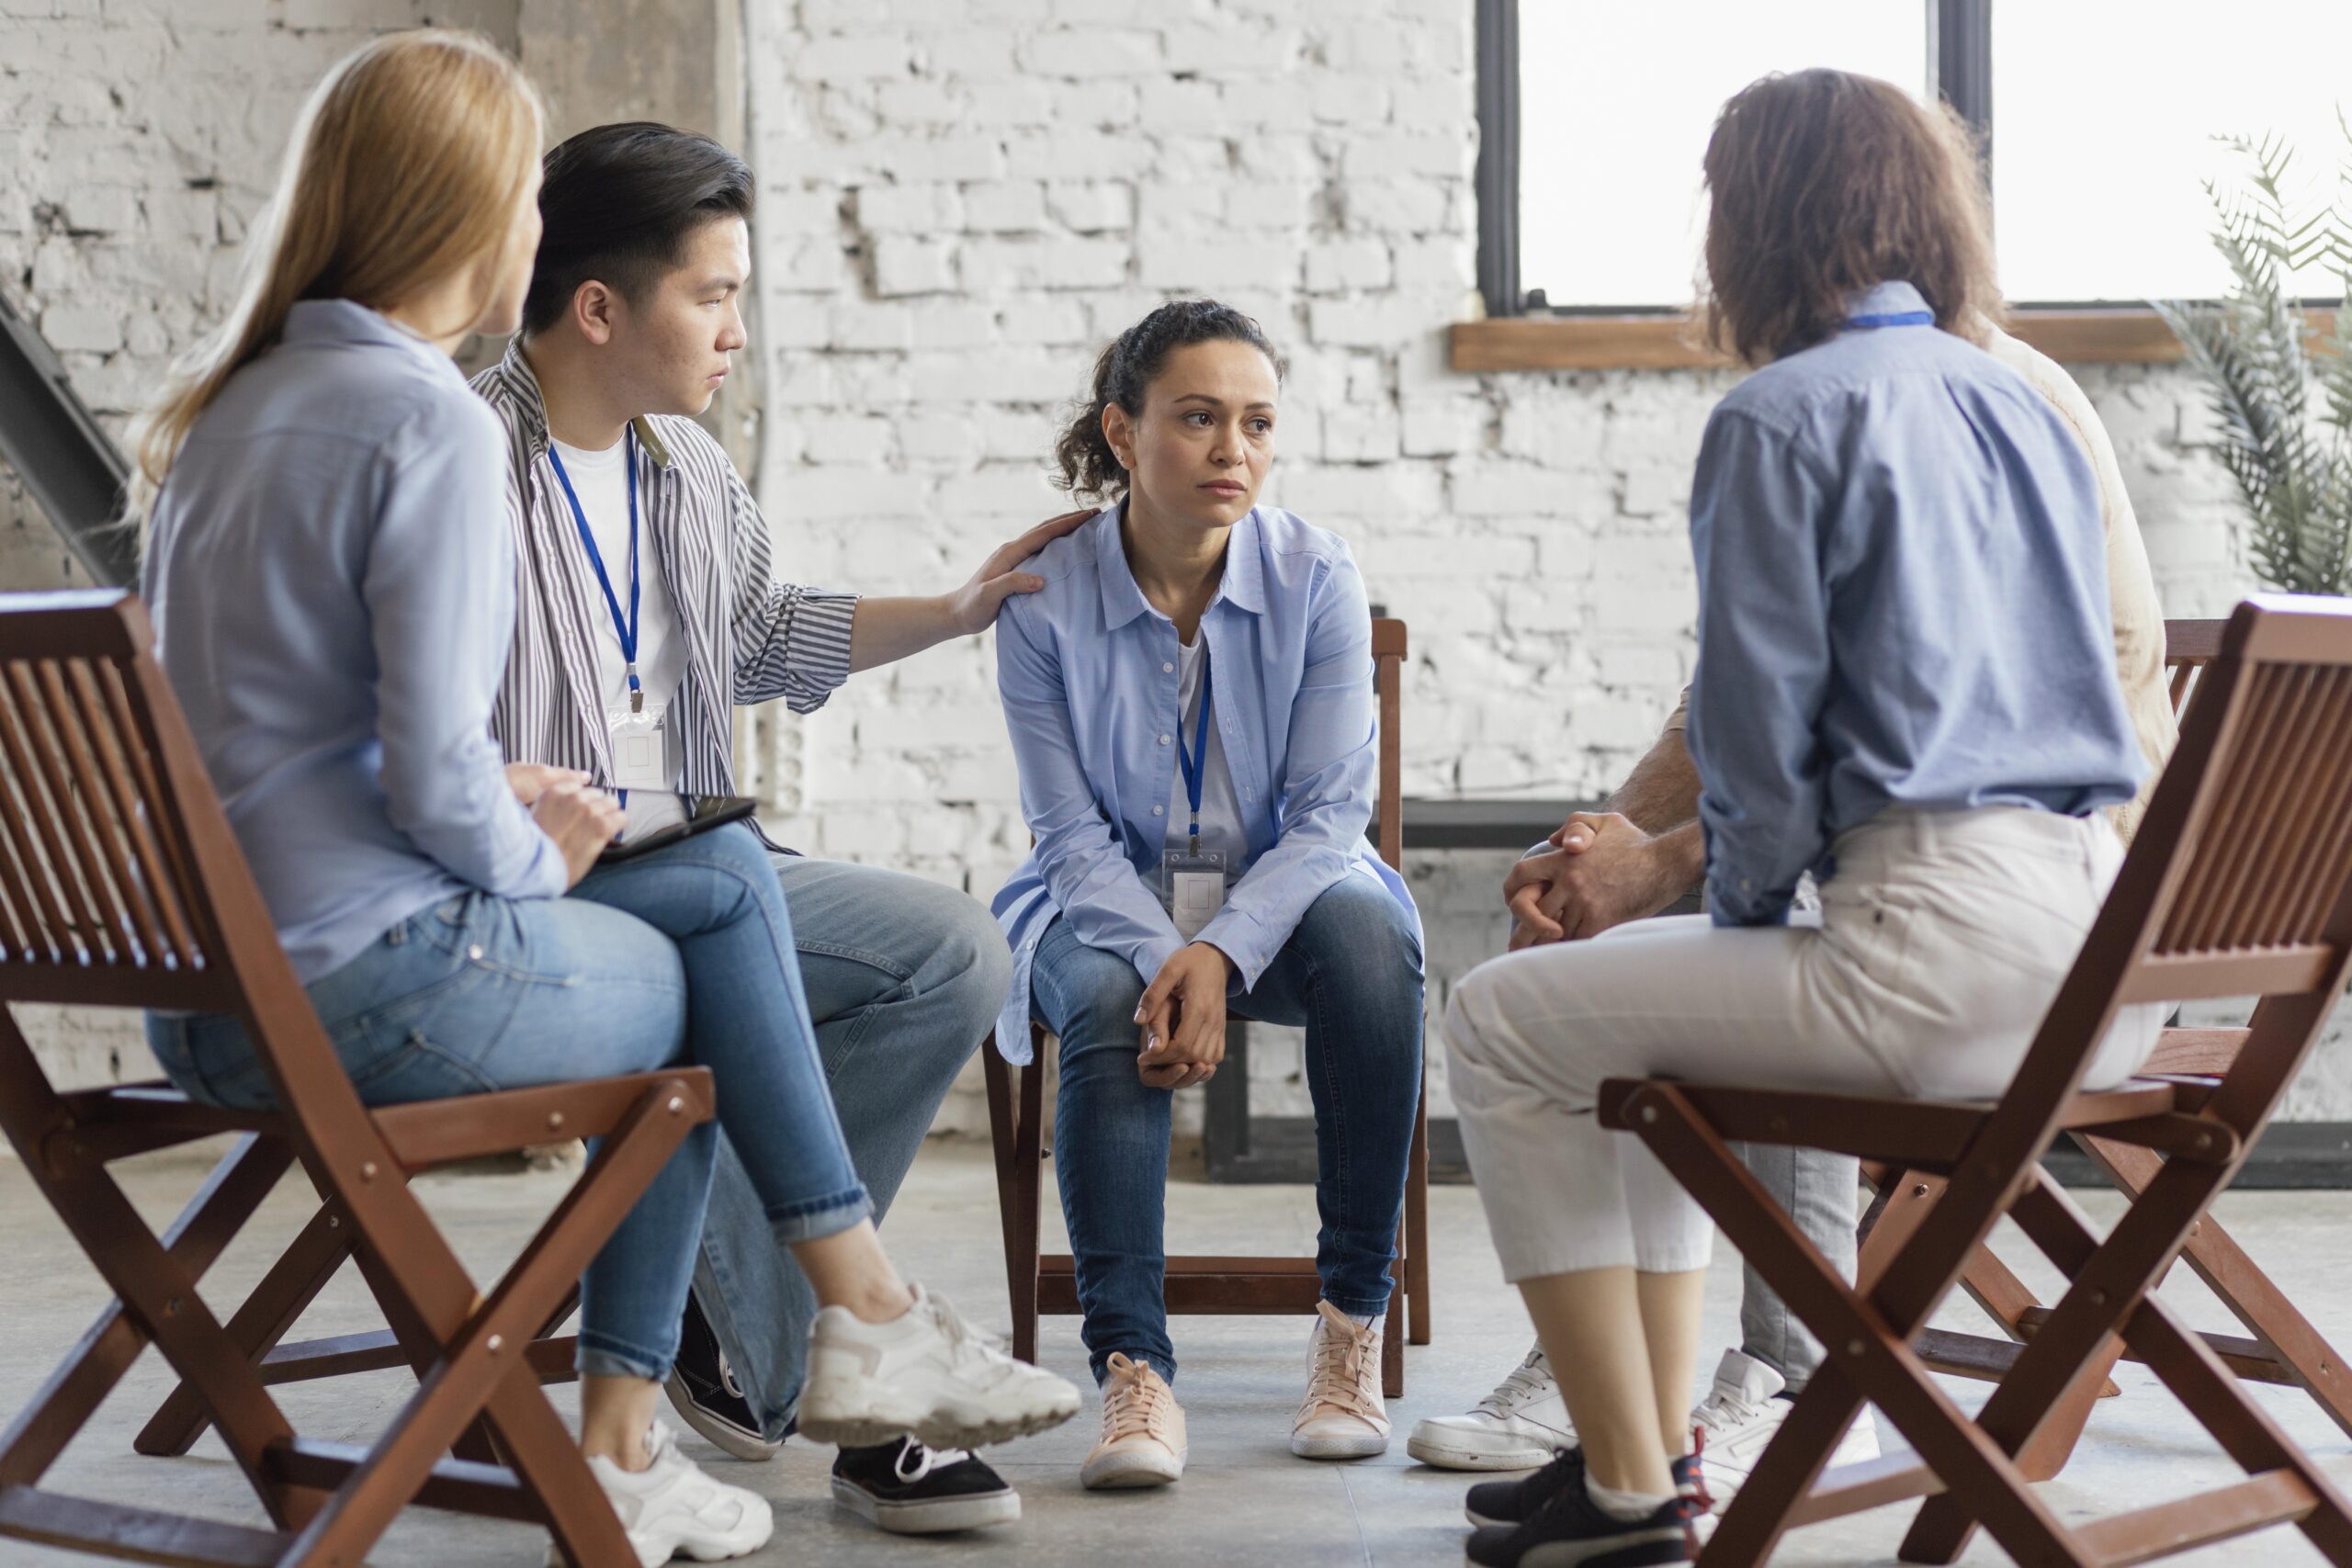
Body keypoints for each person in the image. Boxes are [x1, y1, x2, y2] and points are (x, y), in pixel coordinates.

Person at [130, 34, 1075, 1568]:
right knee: (710, 927)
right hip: (400, 956)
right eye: (519, 200)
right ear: (486, 230)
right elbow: (438, 768)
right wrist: (525, 838)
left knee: (818, 916)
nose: (530, 227)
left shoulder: (224, 417)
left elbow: (313, 733)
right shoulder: (434, 423)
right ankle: (791, 1358)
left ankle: (763, 1367)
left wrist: (961, 606)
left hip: (215, 983)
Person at [1438, 69, 2167, 1567]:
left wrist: (1735, 910)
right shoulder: (2013, 398)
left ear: (1755, 220)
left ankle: (1631, 1487)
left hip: (1928, 972)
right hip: (2098, 973)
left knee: (1504, 1020)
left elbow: (1761, 758)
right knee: (1614, 1019)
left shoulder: (1777, 417)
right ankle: (1633, 1450)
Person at [471, 119, 1087, 1534]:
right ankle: (842, 1362)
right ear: (600, 307)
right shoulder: (459, 460)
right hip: (546, 888)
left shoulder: (686, 471)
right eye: (715, 294)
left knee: (950, 952)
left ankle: (761, 1337)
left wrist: (954, 609)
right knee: (722, 892)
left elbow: (758, 635)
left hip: (702, 868)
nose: (740, 330)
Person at [990, 299, 1426, 1492]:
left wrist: (1221, 954)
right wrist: (1165, 952)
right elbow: (1067, 835)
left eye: (1257, 422)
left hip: (1278, 895)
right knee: (1096, 993)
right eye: (1197, 419)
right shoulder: (1042, 598)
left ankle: (1349, 1329)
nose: (1234, 449)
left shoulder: (1315, 575)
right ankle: (1134, 1370)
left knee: (1372, 943)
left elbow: (1333, 814)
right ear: (1121, 434)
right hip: (1107, 894)